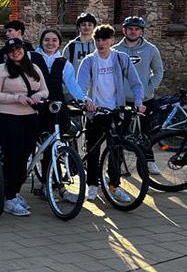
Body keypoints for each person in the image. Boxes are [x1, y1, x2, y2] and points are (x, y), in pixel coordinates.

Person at [76, 24, 146, 202]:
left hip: (116, 111)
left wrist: (138, 103)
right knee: (93, 151)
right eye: (97, 40)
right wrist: (87, 101)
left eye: (105, 39)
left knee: (116, 151)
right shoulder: (89, 61)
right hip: (96, 112)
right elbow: (81, 87)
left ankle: (114, 185)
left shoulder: (121, 58)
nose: (101, 43)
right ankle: (92, 185)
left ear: (112, 40)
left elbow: (136, 83)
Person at [0, 37, 49, 216]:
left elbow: (45, 89)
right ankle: (9, 196)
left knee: (25, 154)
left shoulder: (34, 68)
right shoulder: (1, 70)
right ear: (7, 53)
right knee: (13, 156)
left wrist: (38, 96)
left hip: (30, 116)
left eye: (19, 48)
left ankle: (13, 191)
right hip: (8, 117)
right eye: (12, 50)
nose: (16, 52)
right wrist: (16, 98)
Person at [31, 29, 92, 193]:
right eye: (47, 40)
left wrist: (84, 99)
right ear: (41, 41)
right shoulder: (32, 58)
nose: (50, 43)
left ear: (59, 43)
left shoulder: (63, 62)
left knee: (54, 145)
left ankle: (49, 182)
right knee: (30, 141)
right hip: (35, 105)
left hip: (55, 106)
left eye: (54, 40)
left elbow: (72, 84)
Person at [114, 16, 164, 174]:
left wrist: (149, 89)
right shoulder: (116, 50)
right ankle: (118, 163)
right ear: (124, 30)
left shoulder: (151, 49)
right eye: (130, 29)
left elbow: (158, 71)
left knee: (147, 132)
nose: (133, 32)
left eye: (137, 29)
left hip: (145, 99)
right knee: (119, 134)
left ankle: (148, 161)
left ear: (141, 31)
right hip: (123, 100)